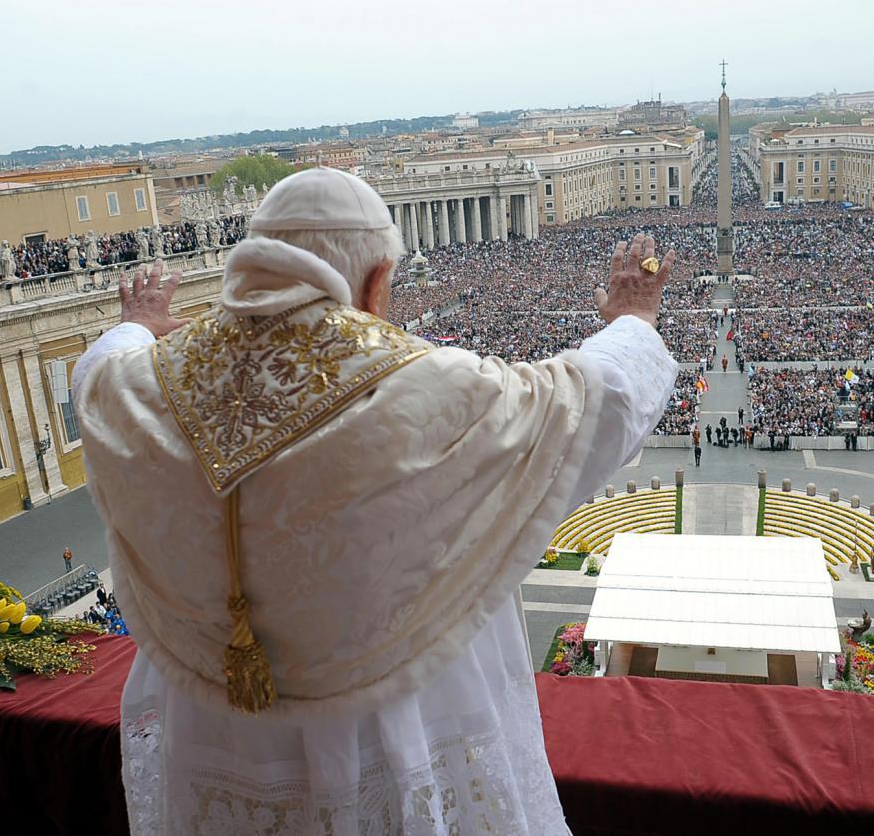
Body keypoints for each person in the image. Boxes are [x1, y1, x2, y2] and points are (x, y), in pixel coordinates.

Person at [74, 169, 680, 832]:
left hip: (219, 737)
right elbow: (596, 400)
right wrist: (635, 317)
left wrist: (136, 326)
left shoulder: (138, 385)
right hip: (381, 735)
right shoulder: (429, 390)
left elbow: (97, 371)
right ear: (376, 282)